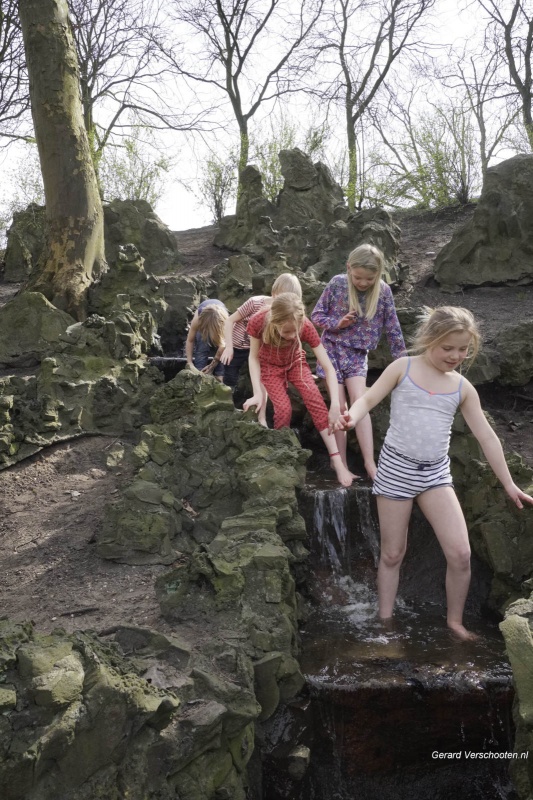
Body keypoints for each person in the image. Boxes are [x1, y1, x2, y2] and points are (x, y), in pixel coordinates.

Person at [339, 306, 533, 640]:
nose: (456, 355)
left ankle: (455, 622)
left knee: (460, 553)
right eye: (449, 348)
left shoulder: (462, 388)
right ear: (430, 339)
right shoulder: (404, 367)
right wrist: (351, 417)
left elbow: (487, 437)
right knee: (392, 553)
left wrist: (509, 484)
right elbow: (368, 398)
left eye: (463, 349)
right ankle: (385, 621)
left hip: (435, 476)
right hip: (396, 470)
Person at [311, 243, 406, 480]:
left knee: (360, 401)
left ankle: (369, 463)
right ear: (348, 268)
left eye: (369, 279)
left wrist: (404, 363)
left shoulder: (383, 291)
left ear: (379, 274)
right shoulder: (337, 284)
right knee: (340, 405)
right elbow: (316, 315)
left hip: (357, 354)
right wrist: (338, 322)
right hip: (331, 350)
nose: (363, 283)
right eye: (358, 277)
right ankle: (340, 463)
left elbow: (393, 328)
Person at [243, 292, 357, 487]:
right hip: (270, 367)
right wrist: (257, 393)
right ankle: (282, 453)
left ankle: (337, 461)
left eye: (294, 332)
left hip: (296, 363)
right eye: (286, 332)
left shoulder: (305, 326)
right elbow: (253, 358)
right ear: (274, 322)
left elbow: (329, 368)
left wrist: (336, 405)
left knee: (315, 400)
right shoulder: (258, 322)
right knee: (283, 409)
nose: (291, 336)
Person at [220, 273, 303, 426]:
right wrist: (228, 347)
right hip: (238, 347)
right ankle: (227, 409)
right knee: (229, 377)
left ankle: (261, 418)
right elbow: (230, 320)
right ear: (274, 294)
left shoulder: (285, 315)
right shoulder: (254, 303)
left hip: (258, 350)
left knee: (262, 380)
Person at [185, 299, 228, 381]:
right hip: (204, 322)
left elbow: (223, 346)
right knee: (202, 347)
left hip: (219, 322)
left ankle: (220, 377)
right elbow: (190, 340)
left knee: (223, 355)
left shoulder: (225, 322)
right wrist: (189, 362)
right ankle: (199, 373)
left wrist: (212, 365)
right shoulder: (198, 320)